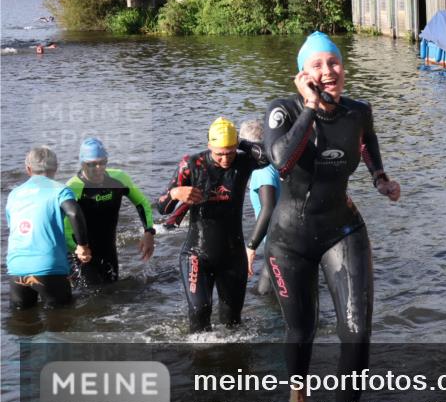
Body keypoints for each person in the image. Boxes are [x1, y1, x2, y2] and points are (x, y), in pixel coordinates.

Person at [264, 31, 400, 402]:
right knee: (302, 329)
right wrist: (308, 105)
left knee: (357, 333)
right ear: (303, 75)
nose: (329, 72)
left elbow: (367, 140)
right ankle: (296, 392)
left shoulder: (358, 111)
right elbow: (283, 160)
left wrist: (380, 177)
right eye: (318, 66)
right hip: (290, 241)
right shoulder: (282, 112)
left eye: (334, 63)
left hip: (343, 231)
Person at [157, 118, 270, 332]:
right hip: (196, 254)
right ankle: (199, 363)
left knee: (232, 323)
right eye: (219, 153)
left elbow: (270, 155)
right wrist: (175, 193)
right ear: (209, 146)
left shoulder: (244, 162)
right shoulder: (192, 164)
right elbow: (162, 208)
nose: (226, 158)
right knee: (200, 312)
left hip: (232, 255)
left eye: (230, 152)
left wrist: (242, 142)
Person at [5, 147, 92, 309]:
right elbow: (74, 213)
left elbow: (14, 228)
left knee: (23, 322)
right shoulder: (60, 190)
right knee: (61, 321)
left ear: (28, 169)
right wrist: (83, 246)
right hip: (49, 269)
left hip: (16, 269)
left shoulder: (14, 194)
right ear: (56, 168)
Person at [65, 137, 155, 288]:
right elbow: (65, 228)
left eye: (102, 162)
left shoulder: (119, 179)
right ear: (82, 163)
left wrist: (149, 232)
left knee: (112, 292)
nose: (98, 168)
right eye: (92, 164)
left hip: (108, 248)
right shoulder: (72, 187)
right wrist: (78, 248)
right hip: (81, 251)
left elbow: (142, 202)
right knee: (90, 295)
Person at [238, 119, 280, 296]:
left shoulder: (261, 172)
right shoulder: (277, 161)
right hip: (287, 238)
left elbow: (268, 209)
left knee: (264, 294)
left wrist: (251, 247)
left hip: (279, 243)